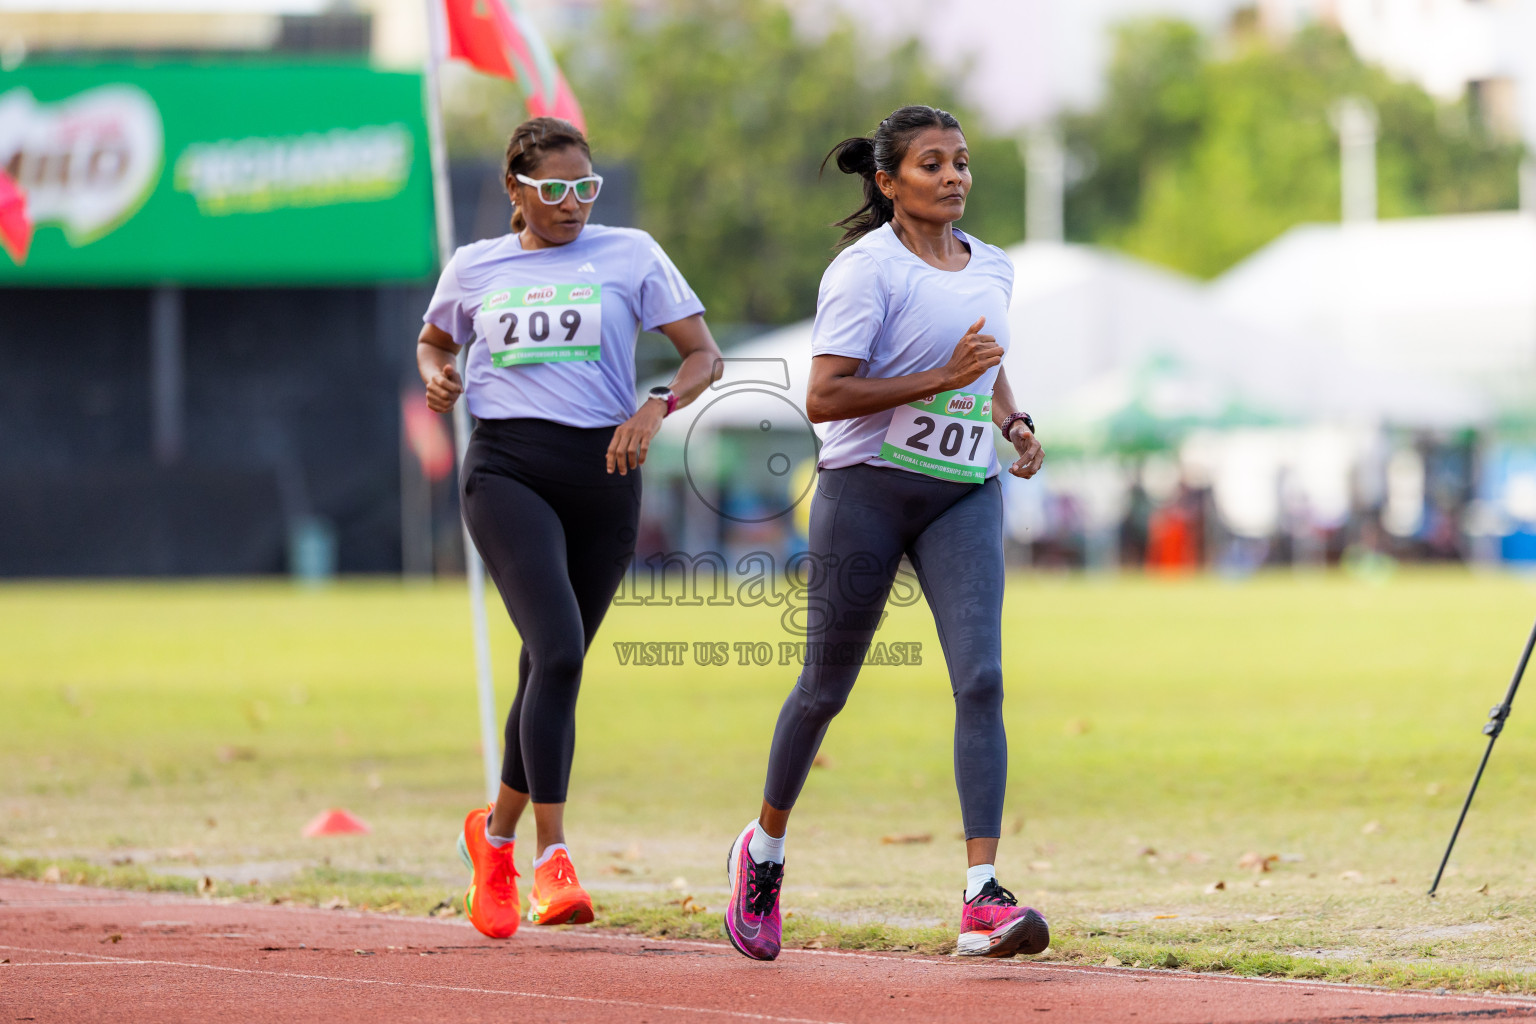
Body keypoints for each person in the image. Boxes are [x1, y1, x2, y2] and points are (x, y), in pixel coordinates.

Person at [723, 105, 1047, 962]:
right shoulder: (864, 271)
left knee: (982, 680)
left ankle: (982, 896)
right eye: (932, 164)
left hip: (962, 491)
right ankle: (763, 853)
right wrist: (939, 377)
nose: (954, 177)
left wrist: (1012, 421)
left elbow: (984, 359)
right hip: (866, 490)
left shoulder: (994, 265)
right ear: (888, 181)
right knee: (824, 690)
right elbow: (823, 398)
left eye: (962, 162)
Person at [418, 117, 722, 939]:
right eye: (552, 189)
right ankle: (553, 857)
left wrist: (656, 406)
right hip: (507, 469)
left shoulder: (631, 254)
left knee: (548, 667)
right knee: (556, 651)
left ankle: (493, 839)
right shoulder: (476, 265)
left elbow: (704, 356)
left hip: (607, 474)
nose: (571, 204)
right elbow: (434, 342)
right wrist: (439, 376)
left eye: (584, 188)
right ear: (515, 190)